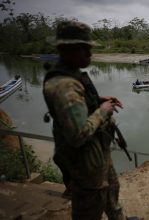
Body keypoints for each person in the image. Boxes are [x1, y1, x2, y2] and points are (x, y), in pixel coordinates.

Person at [42, 20, 129, 220]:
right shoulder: (64, 87)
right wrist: (103, 110)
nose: (90, 54)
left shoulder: (71, 76)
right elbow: (78, 135)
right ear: (66, 49)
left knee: (111, 191)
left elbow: (79, 106)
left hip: (98, 153)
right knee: (89, 208)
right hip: (85, 163)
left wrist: (97, 100)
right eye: (84, 49)